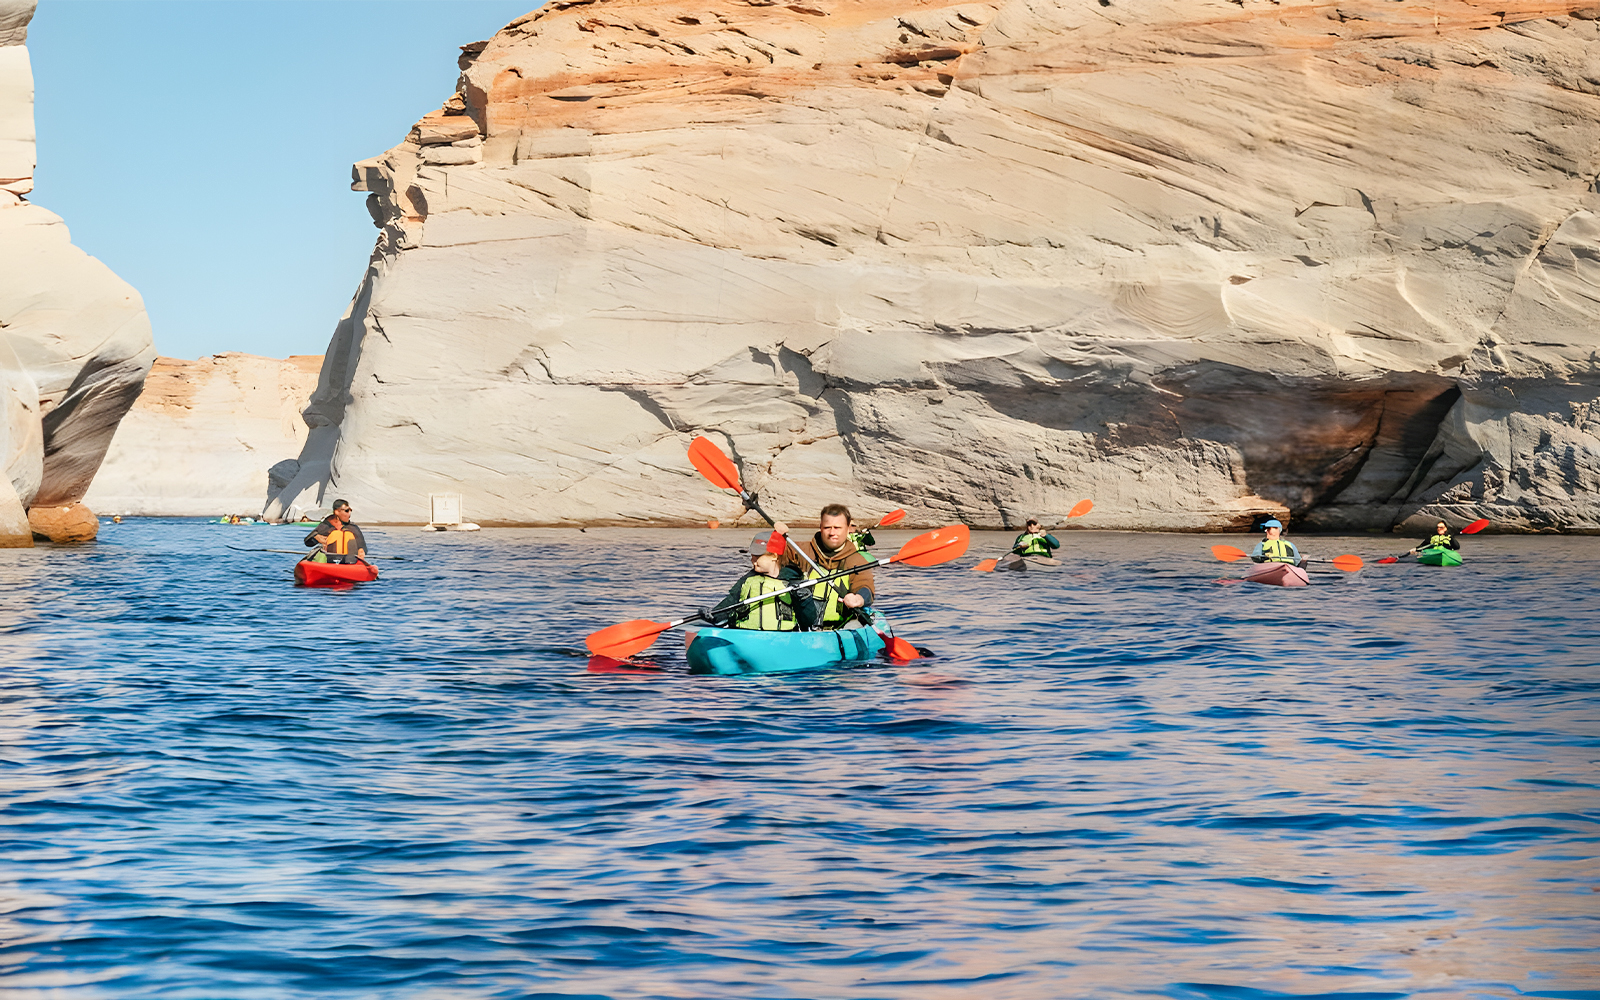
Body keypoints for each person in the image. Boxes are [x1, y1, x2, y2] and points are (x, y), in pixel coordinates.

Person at [771, 504, 876, 630]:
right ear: (820, 527)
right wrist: (776, 537)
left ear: (848, 529)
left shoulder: (857, 560)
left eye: (837, 528)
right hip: (803, 627)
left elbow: (866, 586)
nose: (832, 533)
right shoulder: (802, 551)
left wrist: (858, 598)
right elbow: (771, 559)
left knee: (855, 626)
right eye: (827, 527)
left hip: (841, 627)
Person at [709, 541, 818, 631]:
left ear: (774, 556)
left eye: (757, 557)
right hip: (746, 636)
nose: (752, 560)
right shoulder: (747, 580)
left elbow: (808, 621)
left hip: (783, 638)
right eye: (752, 556)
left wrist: (804, 599)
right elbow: (729, 604)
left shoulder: (794, 580)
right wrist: (712, 616)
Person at [304, 499, 368, 564]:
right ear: (337, 512)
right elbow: (308, 542)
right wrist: (316, 537)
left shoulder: (353, 528)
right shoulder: (326, 526)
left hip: (350, 564)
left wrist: (361, 550)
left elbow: (363, 546)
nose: (349, 514)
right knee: (336, 534)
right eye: (346, 511)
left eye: (350, 511)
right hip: (331, 563)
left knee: (348, 535)